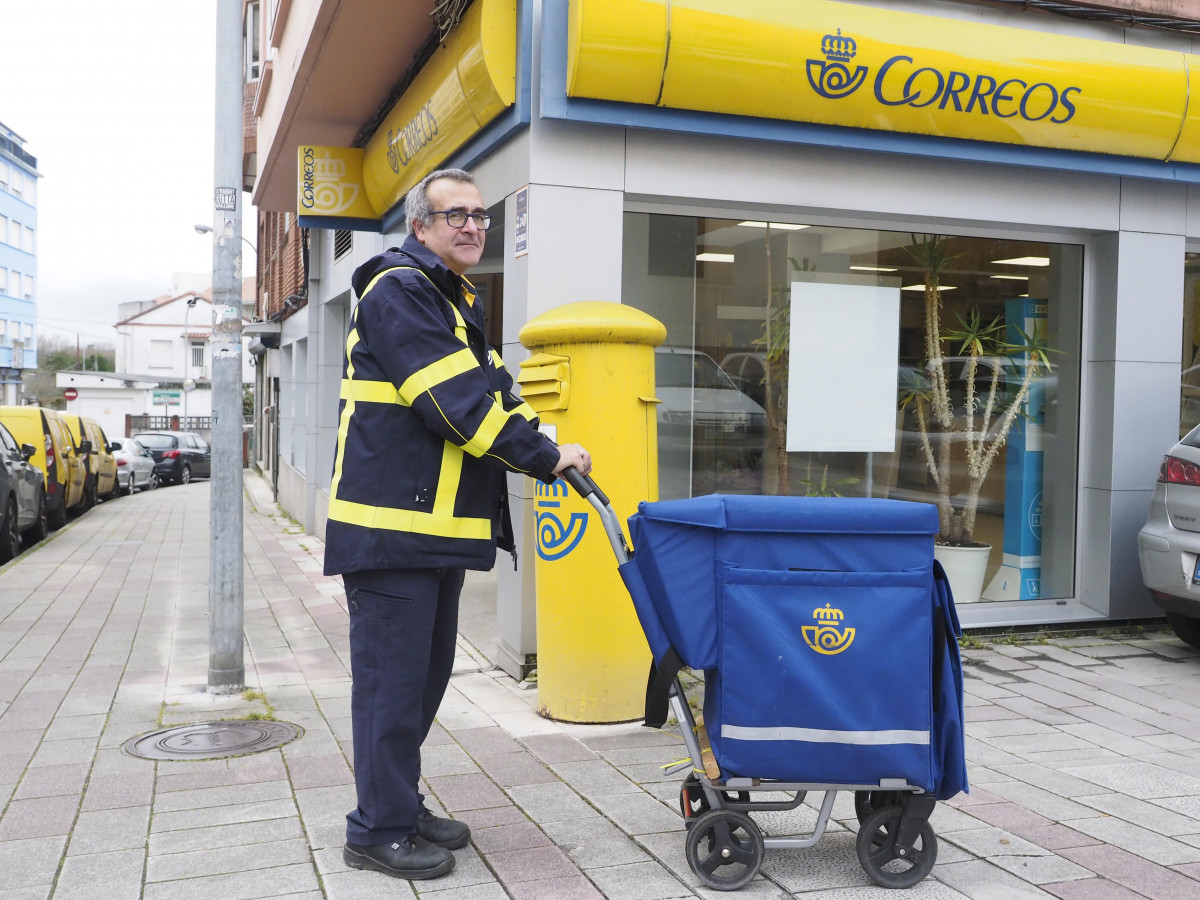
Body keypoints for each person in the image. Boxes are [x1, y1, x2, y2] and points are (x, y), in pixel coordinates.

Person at [325, 168, 591, 881]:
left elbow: (493, 389)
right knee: (392, 686)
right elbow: (453, 404)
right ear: (421, 227)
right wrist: (543, 458)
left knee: (420, 683)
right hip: (391, 532)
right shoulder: (400, 290)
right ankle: (375, 829)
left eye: (481, 215)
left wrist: (550, 439)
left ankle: (398, 806)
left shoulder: (447, 297)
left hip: (429, 528)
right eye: (456, 216)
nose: (473, 226)